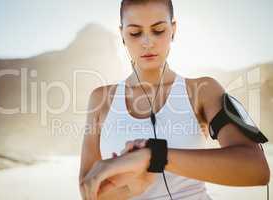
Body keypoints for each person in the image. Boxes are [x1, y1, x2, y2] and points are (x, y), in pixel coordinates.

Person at [79, 0, 270, 200]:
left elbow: (257, 170)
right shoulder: (100, 99)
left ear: (173, 29)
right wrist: (133, 188)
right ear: (122, 35)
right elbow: (89, 190)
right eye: (135, 33)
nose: (147, 42)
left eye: (158, 30)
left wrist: (153, 155)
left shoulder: (202, 90)